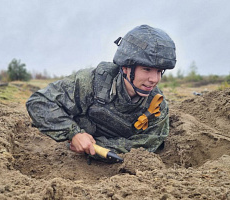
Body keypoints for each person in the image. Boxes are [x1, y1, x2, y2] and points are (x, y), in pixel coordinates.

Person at [26, 24, 176, 163]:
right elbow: (39, 102)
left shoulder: (156, 105)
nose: (154, 79)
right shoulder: (91, 82)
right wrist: (74, 133)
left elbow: (146, 145)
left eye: (159, 71)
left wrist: (93, 147)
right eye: (147, 69)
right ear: (125, 67)